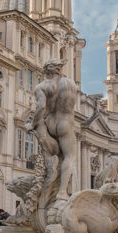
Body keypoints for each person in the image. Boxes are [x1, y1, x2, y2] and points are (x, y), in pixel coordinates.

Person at [25, 59, 77, 202]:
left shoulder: (41, 86)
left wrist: (33, 124)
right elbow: (70, 106)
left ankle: (48, 183)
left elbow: (41, 107)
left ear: (45, 71)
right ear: (59, 69)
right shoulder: (70, 84)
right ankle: (61, 192)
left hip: (49, 123)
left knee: (51, 157)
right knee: (69, 157)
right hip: (65, 123)